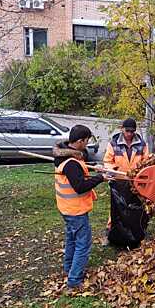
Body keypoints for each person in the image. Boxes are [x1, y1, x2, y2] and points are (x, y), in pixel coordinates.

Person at [53, 125, 106, 293]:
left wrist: (94, 168)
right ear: (79, 141)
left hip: (66, 208)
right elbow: (80, 186)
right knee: (83, 244)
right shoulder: (70, 164)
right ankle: (74, 280)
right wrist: (100, 178)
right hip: (75, 210)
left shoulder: (65, 152)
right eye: (86, 141)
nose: (87, 144)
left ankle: (69, 269)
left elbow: (78, 175)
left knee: (72, 239)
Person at [102, 118, 150, 248]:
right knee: (117, 208)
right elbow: (107, 161)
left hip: (136, 182)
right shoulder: (114, 143)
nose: (129, 134)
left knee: (135, 208)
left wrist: (140, 175)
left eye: (132, 131)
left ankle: (136, 232)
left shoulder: (141, 144)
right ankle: (110, 232)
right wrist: (115, 171)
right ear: (122, 128)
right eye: (127, 130)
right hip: (119, 181)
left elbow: (146, 163)